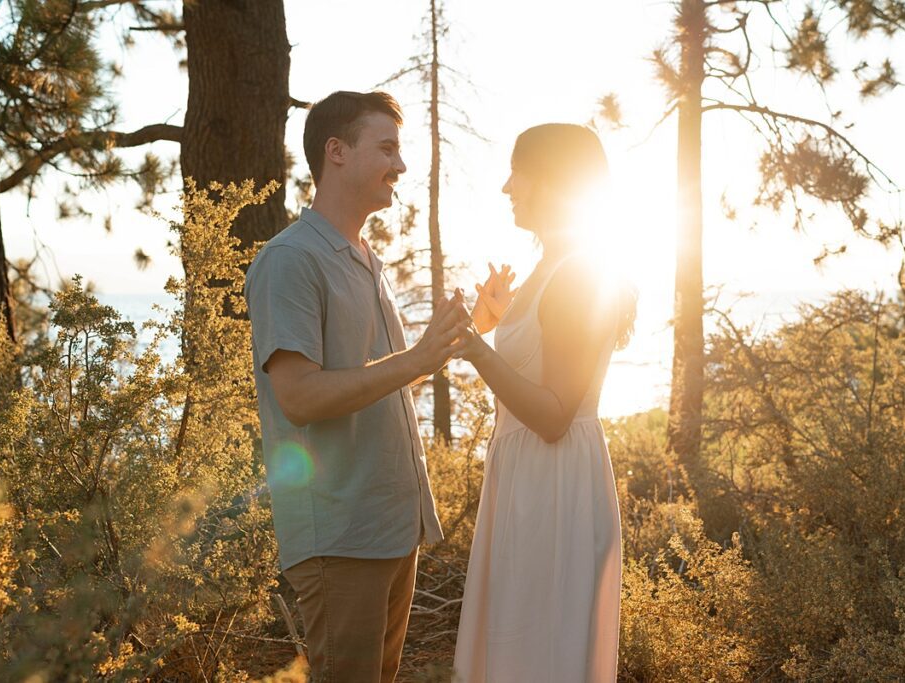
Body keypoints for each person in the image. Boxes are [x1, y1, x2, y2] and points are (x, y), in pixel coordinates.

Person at [244, 90, 469, 683]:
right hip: (341, 537)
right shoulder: (290, 260)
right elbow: (300, 396)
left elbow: (383, 377)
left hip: (391, 529)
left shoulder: (365, 259)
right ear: (336, 152)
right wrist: (416, 357)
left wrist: (451, 339)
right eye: (388, 148)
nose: (400, 165)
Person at [452, 123, 634, 682]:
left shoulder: (580, 272)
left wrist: (474, 347)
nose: (507, 187)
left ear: (553, 180)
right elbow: (538, 363)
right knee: (518, 644)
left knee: (542, 649)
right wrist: (494, 321)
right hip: (528, 479)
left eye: (517, 172)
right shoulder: (548, 267)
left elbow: (555, 414)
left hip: (557, 485)